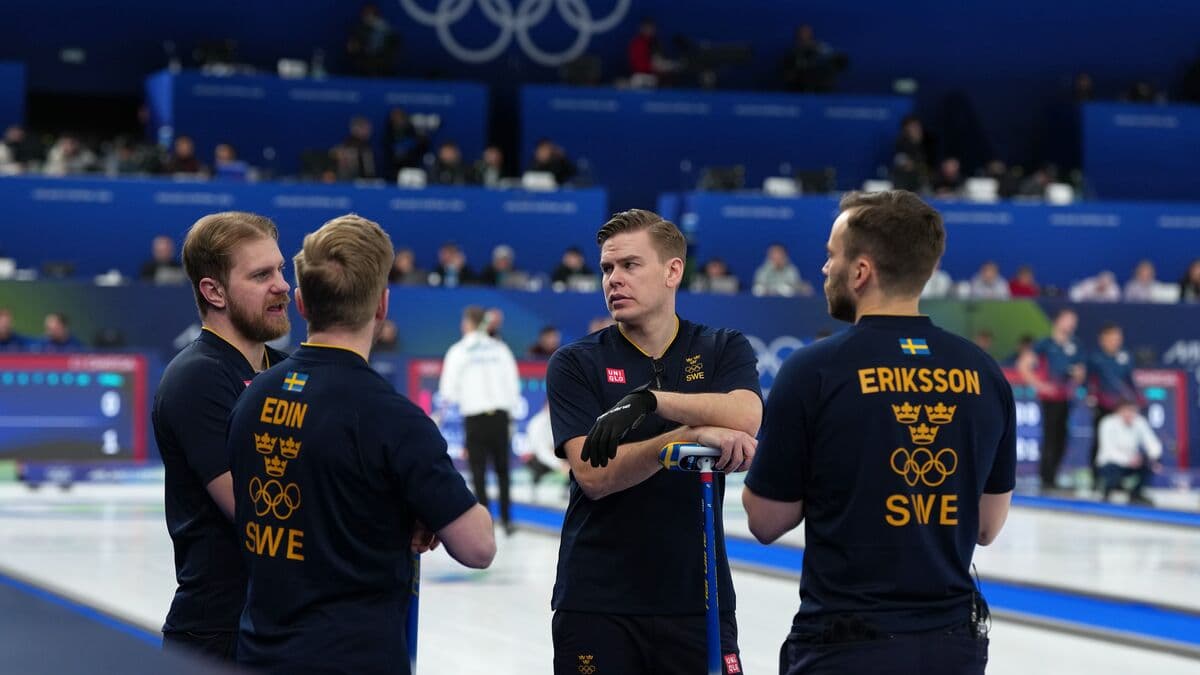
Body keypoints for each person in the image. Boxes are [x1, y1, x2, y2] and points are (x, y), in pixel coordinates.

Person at [743, 189, 1014, 674]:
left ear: (861, 271)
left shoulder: (812, 371)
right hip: (952, 645)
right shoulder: (985, 373)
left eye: (832, 256)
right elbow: (988, 526)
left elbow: (766, 521)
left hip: (848, 643)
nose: (825, 269)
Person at [228, 213, 495, 673]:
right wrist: (418, 505)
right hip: (355, 657)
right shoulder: (393, 419)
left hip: (259, 652)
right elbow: (478, 547)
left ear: (301, 303)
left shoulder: (251, 398)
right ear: (382, 306)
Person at [545, 208, 762, 674]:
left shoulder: (723, 347)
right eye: (606, 268)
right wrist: (687, 437)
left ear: (673, 270)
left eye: (629, 265)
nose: (613, 280)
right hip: (599, 602)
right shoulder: (575, 364)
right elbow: (593, 475)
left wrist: (650, 401)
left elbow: (747, 415)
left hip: (699, 600)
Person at [153, 212, 292, 662]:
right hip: (219, 634)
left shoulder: (287, 370)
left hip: (280, 624)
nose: (283, 286)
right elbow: (258, 511)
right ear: (213, 291)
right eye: (261, 275)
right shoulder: (198, 378)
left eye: (281, 269)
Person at [438, 305, 522, 536]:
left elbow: (448, 391)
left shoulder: (458, 351)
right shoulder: (500, 348)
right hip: (500, 417)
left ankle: (487, 525)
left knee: (478, 472)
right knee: (504, 471)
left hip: (475, 418)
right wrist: (511, 415)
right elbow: (513, 384)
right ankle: (507, 521)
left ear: (467, 324)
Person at [1019, 308, 1085, 492]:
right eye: (1068, 320)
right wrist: (1040, 385)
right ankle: (1046, 477)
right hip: (1050, 397)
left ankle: (1053, 474)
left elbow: (1081, 371)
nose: (1072, 325)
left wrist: (1076, 377)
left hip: (1066, 396)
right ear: (1058, 321)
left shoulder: (1075, 345)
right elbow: (1024, 365)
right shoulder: (1045, 344)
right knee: (1050, 436)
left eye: (1074, 321)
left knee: (1062, 437)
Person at [1087, 323, 1139, 480]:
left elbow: (1131, 382)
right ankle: (1097, 477)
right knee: (1100, 441)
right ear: (1103, 339)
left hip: (1121, 408)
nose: (1116, 341)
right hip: (1103, 406)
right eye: (1112, 338)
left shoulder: (1125, 357)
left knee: (1124, 440)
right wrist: (1092, 397)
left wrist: (1136, 400)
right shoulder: (1095, 359)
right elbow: (1089, 382)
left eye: (1118, 338)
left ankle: (1119, 477)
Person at [1095, 400, 1162, 505]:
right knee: (1112, 470)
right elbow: (1108, 451)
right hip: (1111, 463)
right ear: (1119, 411)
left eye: (1132, 411)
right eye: (1126, 411)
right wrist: (1129, 460)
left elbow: (1152, 443)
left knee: (1150, 465)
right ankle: (1107, 492)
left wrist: (1153, 458)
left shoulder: (1139, 422)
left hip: (1133, 462)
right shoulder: (1108, 423)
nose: (1129, 414)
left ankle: (1136, 494)